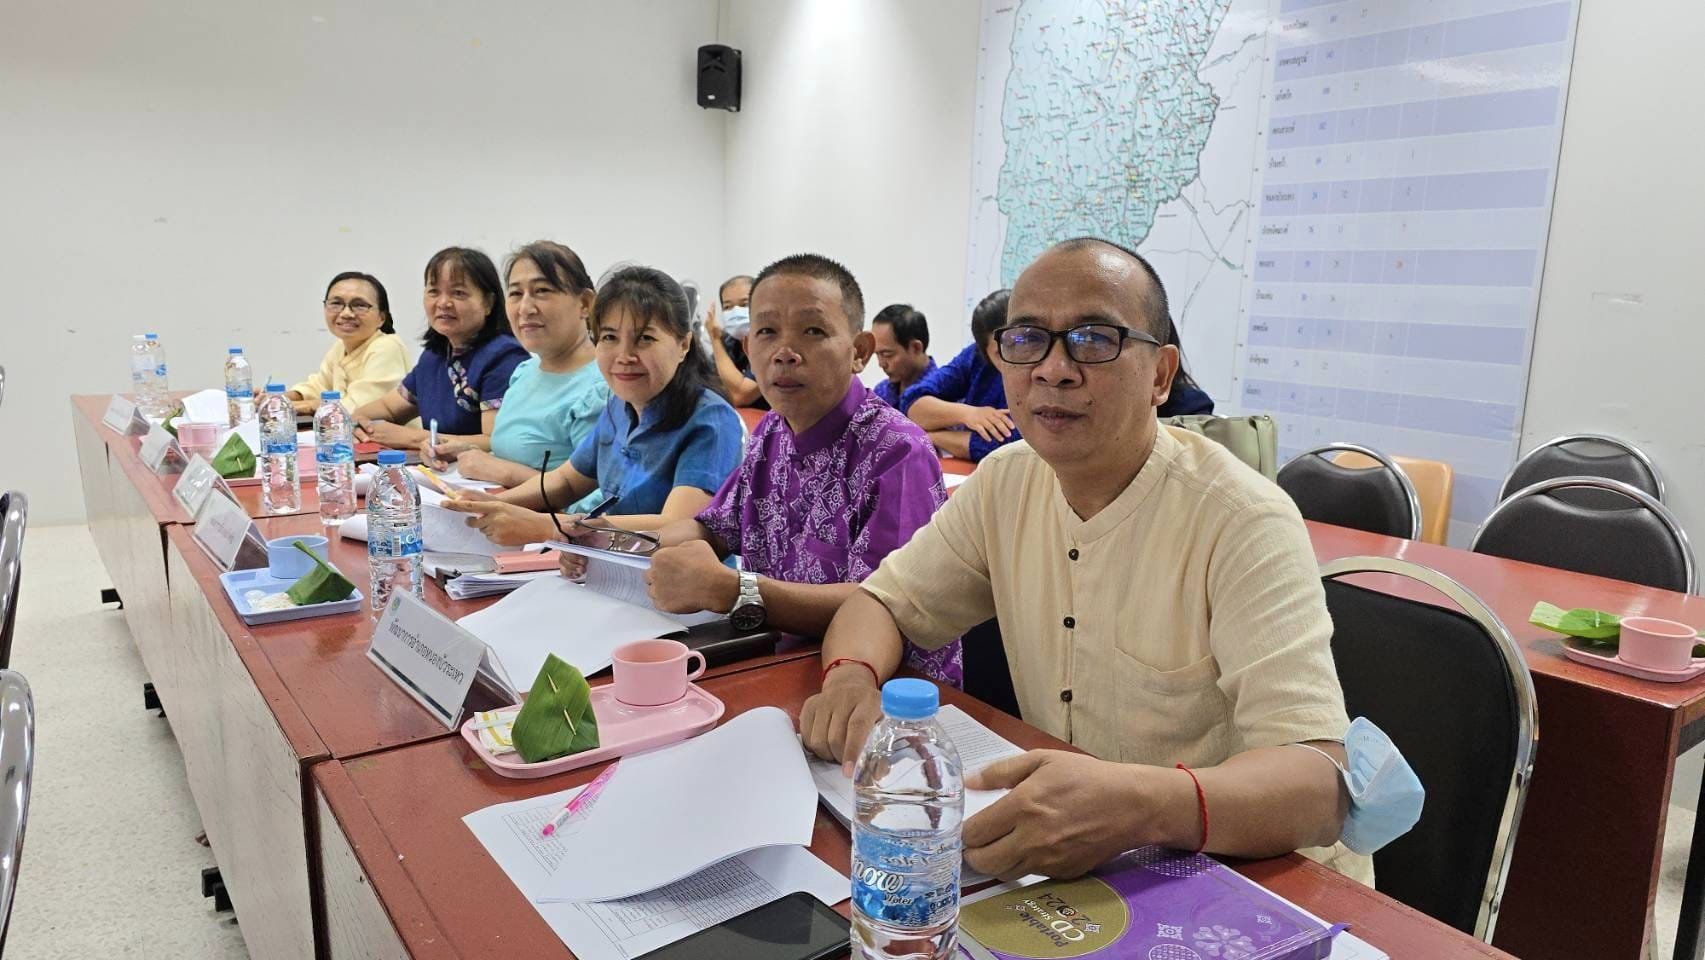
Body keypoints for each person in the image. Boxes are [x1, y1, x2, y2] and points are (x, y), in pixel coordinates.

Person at [799, 237, 1364, 885]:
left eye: (1093, 339)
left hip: (1244, 877)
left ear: (1158, 374)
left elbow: (1319, 785)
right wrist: (848, 677)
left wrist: (1143, 805)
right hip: (1071, 865)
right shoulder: (1007, 481)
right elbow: (881, 603)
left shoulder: (1240, 518)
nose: (1053, 369)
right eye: (1027, 339)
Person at [564, 254, 961, 684]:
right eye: (768, 332)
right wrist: (609, 544)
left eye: (813, 331)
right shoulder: (772, 430)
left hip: (884, 690)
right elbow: (711, 528)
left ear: (859, 351)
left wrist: (737, 590)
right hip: (775, 659)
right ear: (749, 344)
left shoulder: (898, 451)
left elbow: (885, 602)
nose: (785, 353)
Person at [445, 265, 743, 546]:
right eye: (610, 337)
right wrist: (495, 505)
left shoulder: (710, 421)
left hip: (683, 589)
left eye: (645, 339)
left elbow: (678, 528)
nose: (624, 355)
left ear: (683, 344)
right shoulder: (619, 406)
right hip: (612, 569)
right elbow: (567, 481)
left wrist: (554, 528)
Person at [424, 242, 609, 504]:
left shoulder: (601, 389)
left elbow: (597, 501)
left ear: (585, 303)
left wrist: (504, 472)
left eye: (542, 291)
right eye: (515, 294)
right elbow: (520, 450)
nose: (525, 308)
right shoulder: (525, 372)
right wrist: (464, 450)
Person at [353, 247, 529, 452]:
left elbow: (494, 442)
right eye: (434, 291)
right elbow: (388, 408)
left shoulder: (504, 357)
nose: (443, 303)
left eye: (458, 293)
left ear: (488, 303)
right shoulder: (435, 355)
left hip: (481, 480)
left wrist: (413, 438)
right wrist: (358, 422)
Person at [901, 289, 1017, 461]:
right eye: (1000, 354)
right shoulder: (975, 359)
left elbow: (1007, 449)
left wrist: (932, 436)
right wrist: (969, 414)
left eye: (1021, 345)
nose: (1014, 360)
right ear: (985, 352)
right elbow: (912, 403)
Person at [283, 272, 410, 416]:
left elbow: (360, 407)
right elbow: (318, 386)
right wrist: (279, 399)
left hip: (390, 437)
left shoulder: (387, 347)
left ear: (381, 317)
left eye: (359, 305)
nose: (346, 313)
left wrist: (308, 406)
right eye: (336, 304)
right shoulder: (340, 347)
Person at [703, 274, 766, 408]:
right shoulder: (727, 342)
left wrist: (714, 339)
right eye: (727, 307)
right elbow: (708, 388)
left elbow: (741, 396)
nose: (735, 311)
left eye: (744, 304)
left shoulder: (771, 343)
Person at [869, 303, 937, 408]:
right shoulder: (881, 392)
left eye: (887, 354)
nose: (881, 364)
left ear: (916, 348)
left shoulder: (942, 396)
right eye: (877, 354)